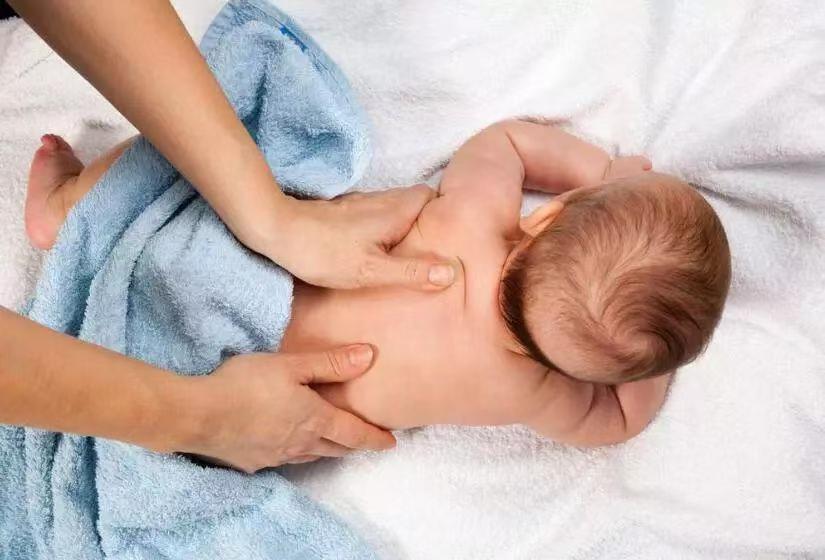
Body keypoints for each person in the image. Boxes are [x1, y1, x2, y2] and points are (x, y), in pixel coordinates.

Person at [24, 120, 731, 462]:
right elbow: (620, 419)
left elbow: (508, 143)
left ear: (548, 215)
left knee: (196, 149)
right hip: (224, 400)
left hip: (212, 296)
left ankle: (68, 208)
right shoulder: (541, 393)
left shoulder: (474, 221)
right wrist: (648, 348)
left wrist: (603, 172)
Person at [2, 1, 457, 469]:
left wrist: (272, 218)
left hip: (191, 319)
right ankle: (75, 210)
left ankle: (76, 210)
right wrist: (204, 419)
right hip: (180, 347)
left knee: (214, 151)